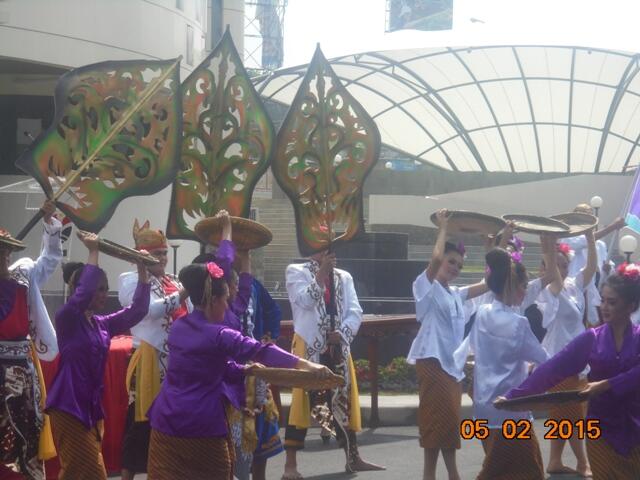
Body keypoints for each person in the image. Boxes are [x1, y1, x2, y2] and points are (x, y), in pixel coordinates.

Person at [146, 261, 331, 480]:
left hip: (165, 421)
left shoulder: (178, 327)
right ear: (214, 301)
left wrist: (243, 370)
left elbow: (203, 365)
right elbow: (262, 351)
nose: (227, 306)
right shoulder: (221, 334)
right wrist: (308, 364)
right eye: (225, 300)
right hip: (201, 425)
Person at [501, 262, 640, 479]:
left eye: (612, 302)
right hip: (600, 429)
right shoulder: (592, 338)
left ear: (630, 306)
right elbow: (554, 367)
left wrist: (606, 384)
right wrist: (515, 396)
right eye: (602, 300)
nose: (604, 307)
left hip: (635, 427)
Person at [45, 231, 151, 480]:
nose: (104, 294)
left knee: (75, 472)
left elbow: (138, 310)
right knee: (91, 472)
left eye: (106, 289)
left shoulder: (102, 324)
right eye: (99, 289)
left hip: (91, 408)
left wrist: (143, 269)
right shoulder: (67, 319)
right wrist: (94, 251)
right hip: (68, 406)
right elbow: (81, 297)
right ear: (82, 289)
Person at [282, 248, 384, 480]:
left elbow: (355, 310)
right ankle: (290, 465)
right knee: (302, 403)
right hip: (309, 346)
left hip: (338, 347)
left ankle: (353, 457)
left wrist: (344, 331)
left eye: (332, 250)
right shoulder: (295, 271)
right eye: (324, 250)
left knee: (343, 400)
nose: (331, 254)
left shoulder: (344, 277)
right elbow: (304, 301)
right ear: (312, 251)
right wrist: (321, 275)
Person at [454, 247, 550, 479]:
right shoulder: (518, 323)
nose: (525, 291)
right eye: (523, 286)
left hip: (484, 407)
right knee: (525, 471)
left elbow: (477, 347)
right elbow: (544, 359)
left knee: (498, 465)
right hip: (510, 408)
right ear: (513, 287)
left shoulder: (483, 312)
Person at [407, 209, 488, 480]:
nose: (454, 268)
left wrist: (496, 243)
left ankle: (442, 475)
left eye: (459, 266)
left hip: (451, 367)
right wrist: (443, 228)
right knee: (435, 422)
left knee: (448, 423)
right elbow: (435, 258)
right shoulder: (425, 286)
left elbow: (489, 283)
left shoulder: (456, 294)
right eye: (451, 262)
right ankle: (445, 475)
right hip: (431, 362)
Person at [118, 221, 190, 480]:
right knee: (139, 419)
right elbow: (148, 310)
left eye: (164, 253)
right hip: (147, 358)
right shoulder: (129, 280)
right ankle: (127, 475)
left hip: (176, 360)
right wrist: (182, 295)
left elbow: (190, 312)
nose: (163, 258)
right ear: (142, 254)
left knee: (171, 422)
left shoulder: (174, 280)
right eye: (157, 253)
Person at [0, 201, 61, 480]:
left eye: (5, 251)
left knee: (27, 428)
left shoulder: (23, 273)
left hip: (22, 368)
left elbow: (49, 260)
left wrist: (50, 225)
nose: (3, 255)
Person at [536, 229, 597, 477]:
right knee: (571, 415)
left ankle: (554, 461)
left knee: (565, 414)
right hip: (559, 362)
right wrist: (549, 249)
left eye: (564, 265)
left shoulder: (573, 285)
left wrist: (591, 236)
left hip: (579, 360)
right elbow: (555, 280)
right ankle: (583, 462)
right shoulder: (549, 291)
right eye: (557, 265)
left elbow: (592, 268)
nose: (561, 269)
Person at [562, 204, 625, 326]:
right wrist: (612, 227)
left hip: (596, 293)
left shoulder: (600, 245)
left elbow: (607, 269)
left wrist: (608, 269)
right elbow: (586, 241)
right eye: (582, 214)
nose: (586, 217)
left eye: (589, 215)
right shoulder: (568, 238)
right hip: (573, 290)